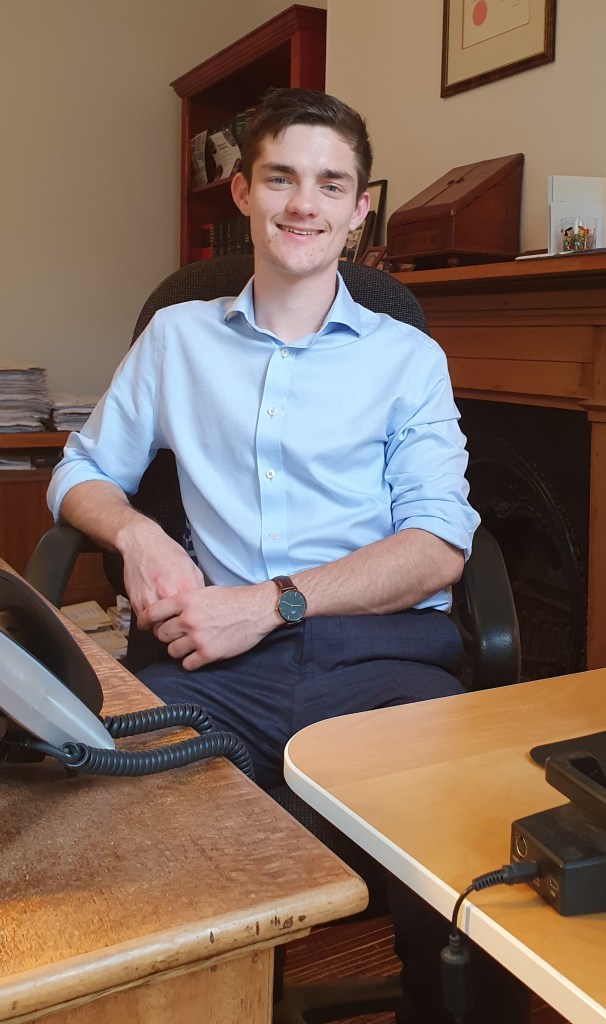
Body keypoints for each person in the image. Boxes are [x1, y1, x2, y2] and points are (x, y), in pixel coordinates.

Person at [49, 87, 522, 1022]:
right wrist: (138, 531)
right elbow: (81, 472)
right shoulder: (177, 339)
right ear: (243, 193)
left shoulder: (406, 358)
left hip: (380, 661)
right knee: (97, 830)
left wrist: (270, 602)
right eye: (282, 178)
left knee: (470, 867)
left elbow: (439, 544)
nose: (305, 204)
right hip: (211, 667)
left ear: (359, 209)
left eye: (331, 184)